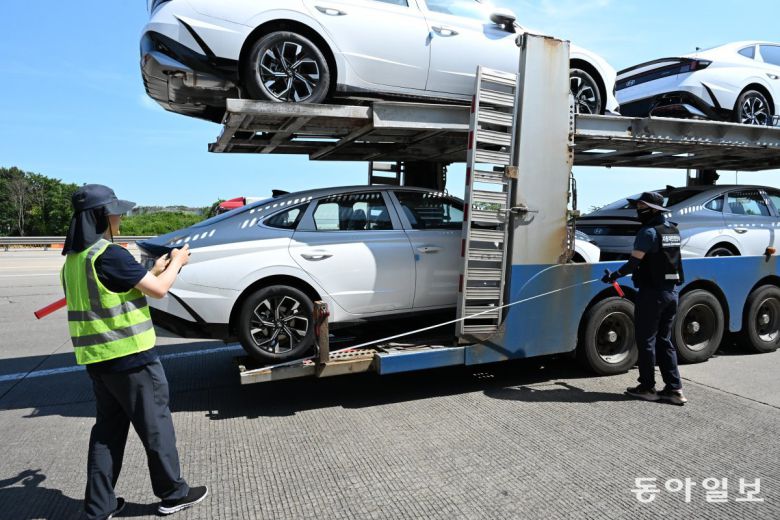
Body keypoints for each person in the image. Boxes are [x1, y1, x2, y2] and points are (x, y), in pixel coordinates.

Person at [61, 184, 208, 519]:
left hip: (99, 361)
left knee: (107, 432)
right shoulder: (110, 254)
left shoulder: (75, 260)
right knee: (155, 425)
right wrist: (178, 263)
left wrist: (156, 267)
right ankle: (173, 494)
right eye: (116, 211)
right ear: (102, 216)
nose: (120, 217)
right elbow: (157, 290)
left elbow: (125, 286)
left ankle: (100, 507)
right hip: (132, 358)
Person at [602, 192, 688, 406]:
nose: (638, 210)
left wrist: (613, 276)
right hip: (671, 293)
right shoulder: (672, 230)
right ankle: (674, 389)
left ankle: (647, 387)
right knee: (664, 341)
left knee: (646, 341)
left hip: (652, 295)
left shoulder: (647, 232)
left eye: (642, 206)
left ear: (652, 209)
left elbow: (633, 263)